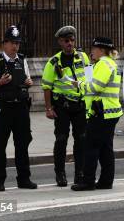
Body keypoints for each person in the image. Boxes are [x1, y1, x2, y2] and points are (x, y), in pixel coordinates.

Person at [0, 25, 37, 192]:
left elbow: (27, 80)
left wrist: (29, 83)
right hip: (3, 109)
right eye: (12, 42)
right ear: (4, 43)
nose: (15, 46)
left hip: (21, 108)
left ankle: (24, 179)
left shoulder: (22, 59)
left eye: (18, 43)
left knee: (23, 144)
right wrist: (0, 82)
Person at [71, 37, 123, 191]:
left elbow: (95, 87)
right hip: (109, 113)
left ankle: (88, 182)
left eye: (93, 49)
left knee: (91, 148)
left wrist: (79, 84)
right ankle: (106, 181)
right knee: (106, 149)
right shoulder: (110, 63)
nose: (91, 52)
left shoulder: (103, 64)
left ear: (101, 50)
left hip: (102, 113)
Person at [41, 26, 90, 187]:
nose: (70, 43)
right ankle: (60, 174)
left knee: (82, 140)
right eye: (66, 41)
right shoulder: (54, 62)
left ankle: (80, 173)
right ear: (60, 42)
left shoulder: (83, 57)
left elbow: (89, 80)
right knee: (61, 139)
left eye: (72, 40)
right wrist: (49, 108)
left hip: (80, 105)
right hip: (62, 105)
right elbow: (47, 86)